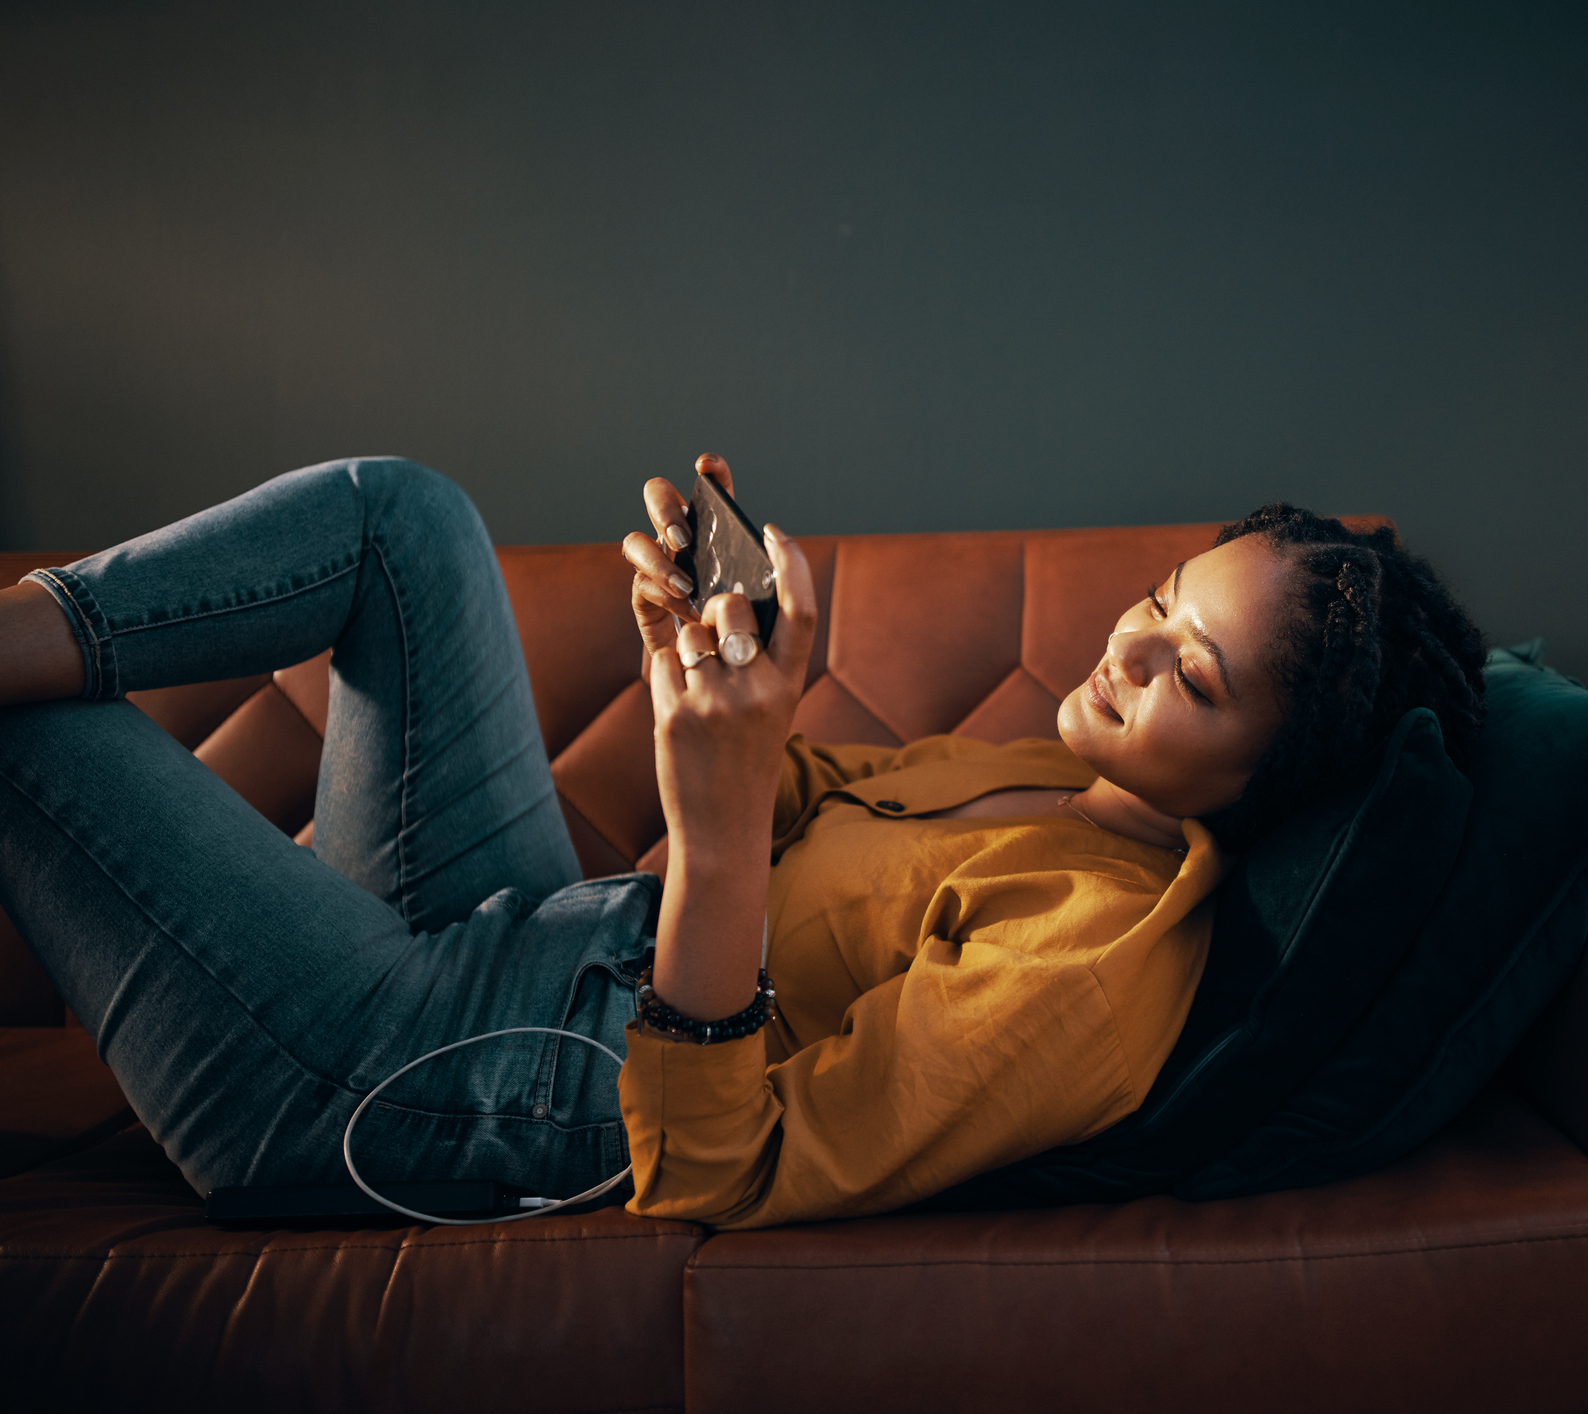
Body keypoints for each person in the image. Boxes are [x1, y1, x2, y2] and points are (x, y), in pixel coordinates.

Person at [0, 455, 1486, 1228]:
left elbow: (723, 1165)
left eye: (1193, 675)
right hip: (525, 922)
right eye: (1162, 597)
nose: (1132, 647)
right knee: (406, 519)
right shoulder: (1045, 766)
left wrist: (709, 835)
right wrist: (707, 679)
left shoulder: (1101, 961)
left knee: (38, 732)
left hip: (420, 1083)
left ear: (1274, 774)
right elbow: (790, 796)